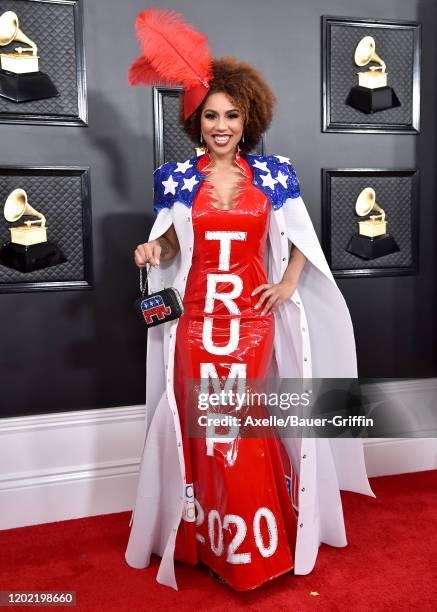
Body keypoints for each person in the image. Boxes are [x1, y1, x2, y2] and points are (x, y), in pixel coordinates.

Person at [125, 7, 375, 592]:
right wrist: (151, 249)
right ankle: (203, 538)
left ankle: (255, 548)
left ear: (248, 118)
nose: (221, 125)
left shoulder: (274, 174)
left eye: (231, 115)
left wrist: (287, 283)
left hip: (251, 323)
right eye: (211, 115)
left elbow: (301, 238)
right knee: (201, 430)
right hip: (196, 323)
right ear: (196, 120)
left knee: (244, 428)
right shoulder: (176, 178)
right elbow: (168, 241)